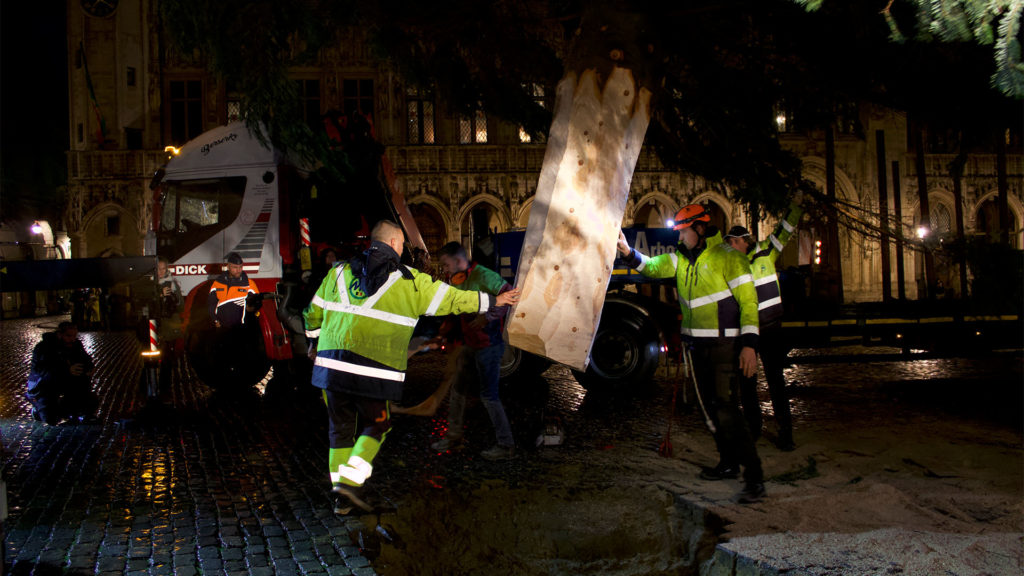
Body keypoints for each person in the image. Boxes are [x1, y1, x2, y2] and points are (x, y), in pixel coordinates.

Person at [303, 220, 520, 515]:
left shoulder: (338, 273)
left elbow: (312, 313)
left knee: (339, 432)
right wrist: (493, 300)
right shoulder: (409, 280)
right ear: (394, 243)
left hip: (330, 369)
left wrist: (313, 344)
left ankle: (341, 499)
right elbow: (452, 300)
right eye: (403, 244)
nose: (404, 248)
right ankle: (350, 485)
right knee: (376, 424)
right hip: (373, 371)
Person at [617, 204, 765, 504]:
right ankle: (727, 462)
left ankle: (755, 478)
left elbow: (749, 303)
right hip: (695, 346)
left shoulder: (730, 257)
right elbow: (652, 267)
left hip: (725, 346)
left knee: (726, 409)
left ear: (699, 228)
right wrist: (626, 251)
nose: (680, 237)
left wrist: (750, 346)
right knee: (708, 408)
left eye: (683, 231)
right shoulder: (681, 259)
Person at [724, 195, 803, 452]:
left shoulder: (766, 252)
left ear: (743, 241)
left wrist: (796, 207)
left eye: (732, 242)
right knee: (747, 382)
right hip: (748, 331)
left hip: (770, 328)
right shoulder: (732, 266)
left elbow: (786, 229)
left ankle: (786, 433)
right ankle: (754, 428)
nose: (730, 247)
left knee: (775, 381)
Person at [429, 241, 516, 460]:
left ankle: (506, 446)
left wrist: (486, 317)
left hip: (489, 345)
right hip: (469, 345)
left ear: (459, 261)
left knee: (489, 396)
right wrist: (444, 331)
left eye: (446, 265)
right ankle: (454, 436)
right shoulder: (457, 280)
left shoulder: (483, 275)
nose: (445, 270)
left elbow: (510, 296)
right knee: (457, 390)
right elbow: (454, 309)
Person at [26, 321, 99, 425]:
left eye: (74, 336)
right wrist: (66, 370)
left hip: (65, 381)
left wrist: (89, 368)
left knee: (88, 394)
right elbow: (44, 372)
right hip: (44, 386)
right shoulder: (44, 348)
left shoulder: (76, 344)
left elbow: (86, 359)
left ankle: (73, 409)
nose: (72, 339)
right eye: (69, 336)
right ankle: (39, 408)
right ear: (59, 335)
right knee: (51, 418)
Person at [207, 252, 261, 328]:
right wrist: (215, 320)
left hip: (241, 328)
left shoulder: (249, 284)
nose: (238, 270)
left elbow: (258, 303)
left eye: (240, 267)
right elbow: (211, 304)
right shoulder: (217, 283)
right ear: (228, 267)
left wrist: (252, 309)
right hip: (222, 328)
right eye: (235, 267)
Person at [156, 256, 183, 391]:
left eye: (163, 269)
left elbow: (180, 307)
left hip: (169, 328)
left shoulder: (172, 283)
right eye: (158, 269)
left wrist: (174, 298)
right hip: (154, 328)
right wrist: (159, 296)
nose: (160, 272)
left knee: (167, 360)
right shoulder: (150, 285)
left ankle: (165, 388)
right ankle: (148, 389)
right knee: (150, 361)